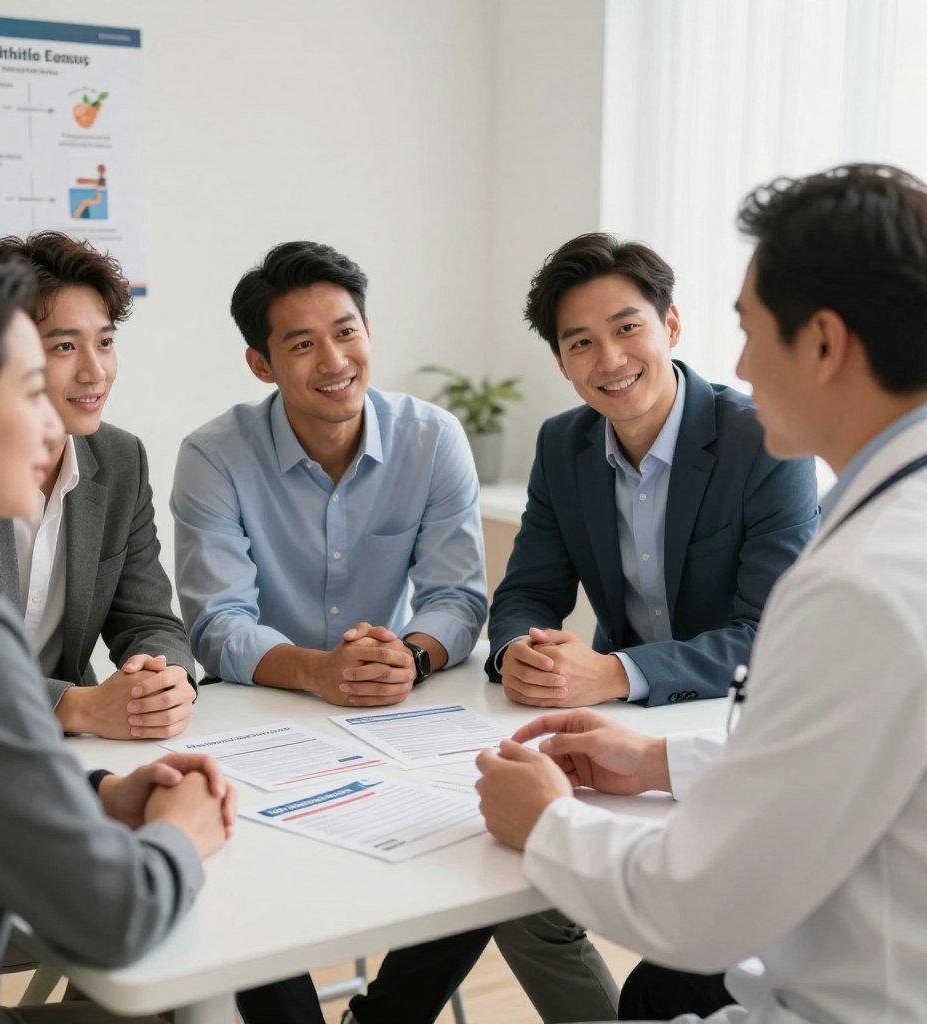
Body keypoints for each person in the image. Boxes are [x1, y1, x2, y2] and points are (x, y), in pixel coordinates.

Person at [476, 162, 927, 1023]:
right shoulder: (891, 527)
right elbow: (831, 754)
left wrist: (547, 824)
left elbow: (698, 906)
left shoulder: (862, 585)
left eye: (749, 330)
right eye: (580, 341)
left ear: (825, 344)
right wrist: (656, 760)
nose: (744, 364)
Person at [483, 233, 819, 1021]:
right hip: (617, 735)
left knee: (667, 958)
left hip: (736, 734)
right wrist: (520, 651)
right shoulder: (561, 444)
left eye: (628, 327)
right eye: (581, 342)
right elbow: (528, 589)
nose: (610, 359)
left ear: (672, 324)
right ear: (562, 363)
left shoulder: (763, 438)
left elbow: (768, 634)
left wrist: (617, 673)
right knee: (508, 877)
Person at [0, 247, 235, 1024]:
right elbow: (116, 916)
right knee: (197, 999)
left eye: (104, 343)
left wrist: (98, 794)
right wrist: (180, 833)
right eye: (32, 386)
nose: (56, 423)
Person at [172, 240, 489, 1023]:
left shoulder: (432, 437)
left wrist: (409, 656)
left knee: (489, 831)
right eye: (302, 343)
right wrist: (317, 670)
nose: (334, 359)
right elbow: (217, 624)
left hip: (393, 716)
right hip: (257, 722)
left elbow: (458, 596)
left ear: (370, 332)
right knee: (224, 862)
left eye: (346, 332)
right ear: (261, 363)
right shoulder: (214, 455)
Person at [0, 232, 196, 741]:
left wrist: (166, 682)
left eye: (106, 342)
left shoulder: (120, 460)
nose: (95, 371)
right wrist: (75, 707)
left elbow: (146, 618)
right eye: (65, 346)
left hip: (72, 751)